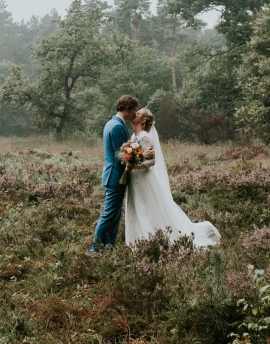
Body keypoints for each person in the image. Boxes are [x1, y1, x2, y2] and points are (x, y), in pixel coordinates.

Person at [124, 108, 220, 247]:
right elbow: (138, 157)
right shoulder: (133, 137)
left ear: (143, 120)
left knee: (145, 208)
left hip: (144, 178)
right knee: (137, 206)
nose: (134, 114)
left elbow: (152, 161)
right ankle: (139, 240)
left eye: (138, 113)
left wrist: (135, 166)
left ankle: (151, 239)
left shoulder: (145, 136)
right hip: (135, 178)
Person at [89, 95, 154, 253]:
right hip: (115, 176)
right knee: (109, 214)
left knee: (115, 214)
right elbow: (122, 155)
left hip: (114, 175)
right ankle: (95, 249)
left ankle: (109, 244)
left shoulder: (112, 123)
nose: (135, 114)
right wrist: (142, 155)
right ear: (127, 109)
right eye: (134, 111)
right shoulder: (117, 126)